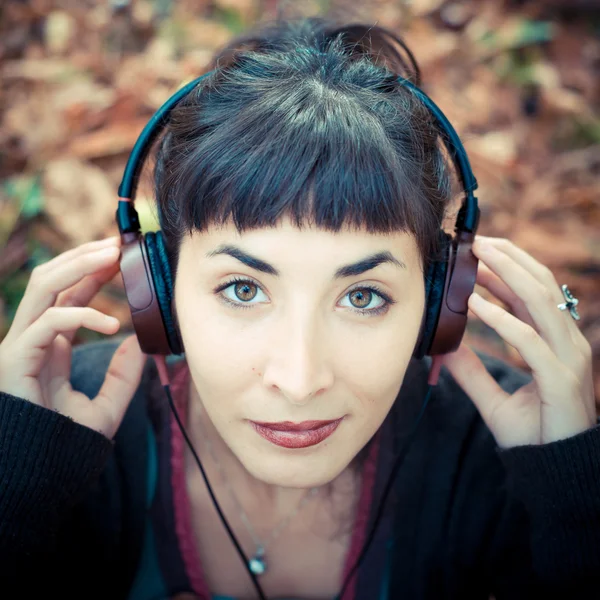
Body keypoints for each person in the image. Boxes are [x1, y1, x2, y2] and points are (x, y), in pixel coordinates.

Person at [0, 15, 598, 600]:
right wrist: (15, 492)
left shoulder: (514, 458)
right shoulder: (53, 430)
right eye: (243, 289)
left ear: (440, 299)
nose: (299, 380)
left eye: (362, 297)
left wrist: (574, 503)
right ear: (159, 287)